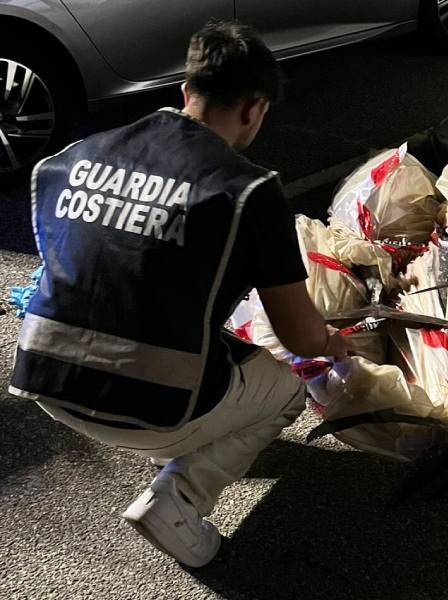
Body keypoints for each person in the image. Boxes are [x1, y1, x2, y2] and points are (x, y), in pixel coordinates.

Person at [7, 22, 350, 567]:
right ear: (255, 108)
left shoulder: (68, 159)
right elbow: (299, 336)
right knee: (286, 385)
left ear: (187, 90)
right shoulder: (248, 190)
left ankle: (182, 438)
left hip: (44, 383)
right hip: (148, 410)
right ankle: (180, 498)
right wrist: (331, 341)